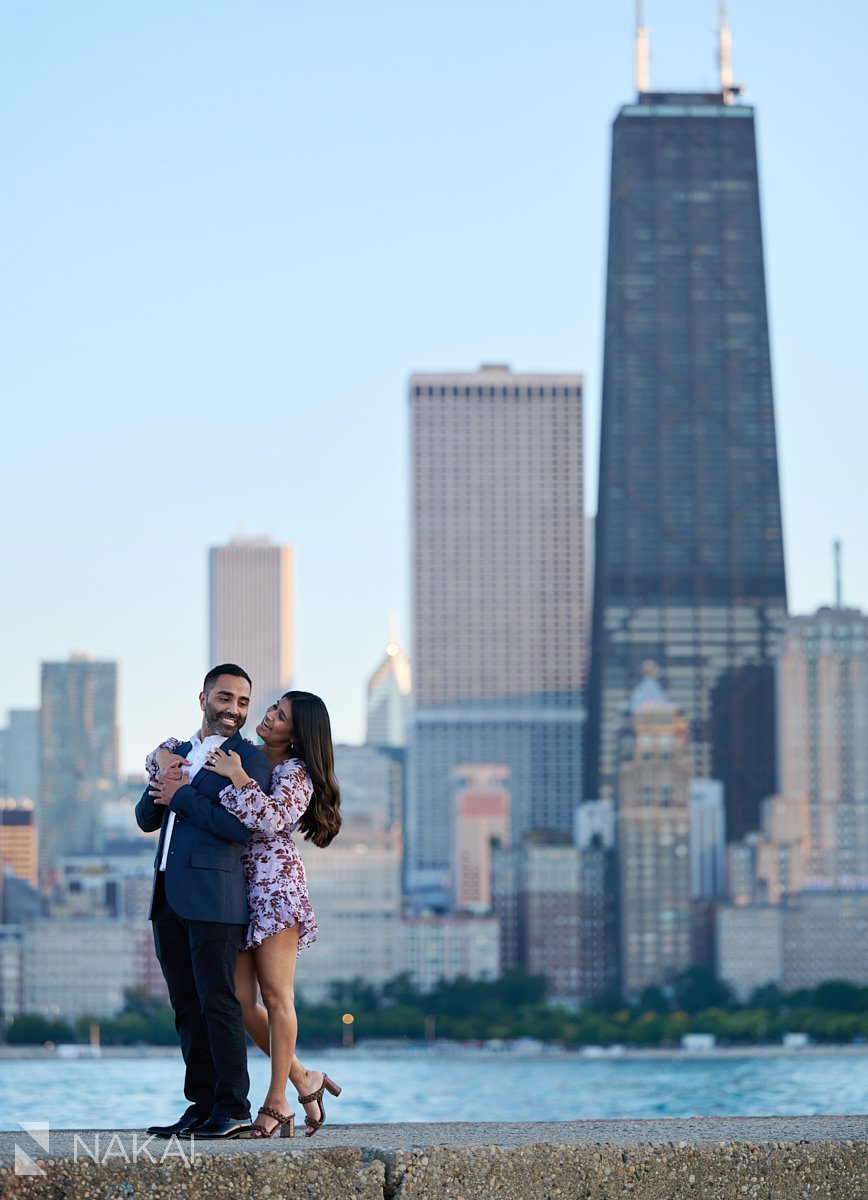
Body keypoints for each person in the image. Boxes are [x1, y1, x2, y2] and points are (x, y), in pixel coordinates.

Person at [149, 689, 342, 1139]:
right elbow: (180, 763)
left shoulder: (296, 772)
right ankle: (304, 1078)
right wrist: (161, 755)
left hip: (274, 888)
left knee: (277, 996)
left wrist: (239, 779)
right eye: (273, 708)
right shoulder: (241, 753)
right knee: (236, 1001)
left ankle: (276, 1102)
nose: (269, 717)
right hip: (235, 886)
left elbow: (273, 820)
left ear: (299, 732)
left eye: (282, 716)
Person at [135, 664, 272, 1140]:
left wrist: (182, 794)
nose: (234, 710)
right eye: (225, 698)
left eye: (242, 702)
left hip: (216, 897)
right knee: (186, 1005)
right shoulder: (177, 752)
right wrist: (162, 779)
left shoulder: (248, 760)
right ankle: (201, 1105)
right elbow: (146, 818)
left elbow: (241, 828)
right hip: (167, 894)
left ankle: (233, 1106)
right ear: (203, 698)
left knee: (219, 1002)